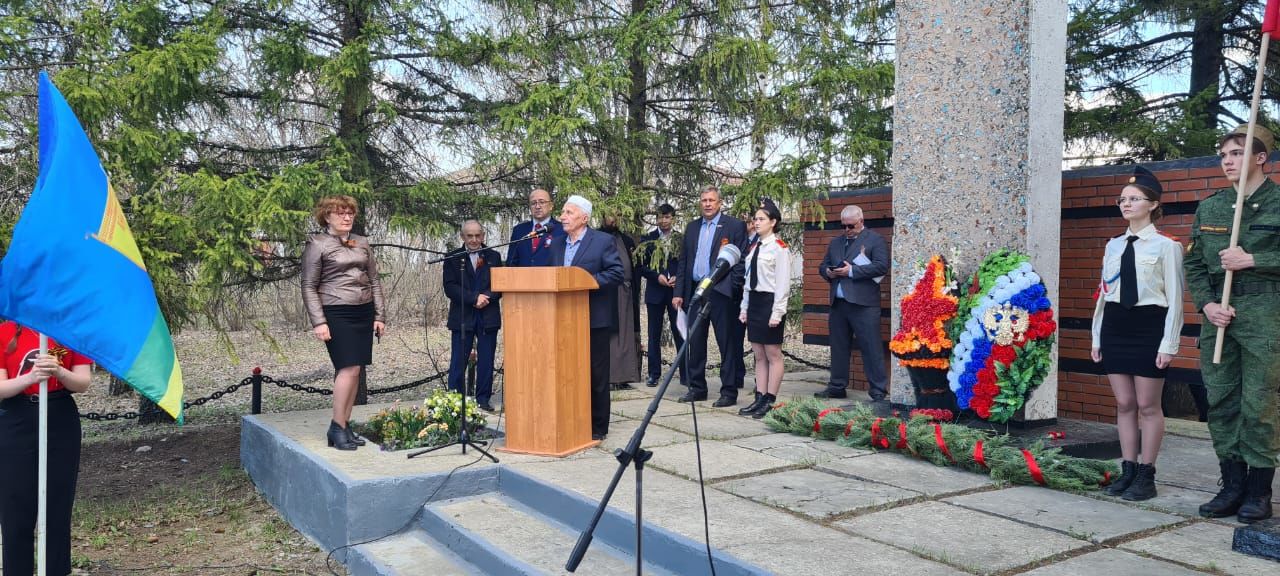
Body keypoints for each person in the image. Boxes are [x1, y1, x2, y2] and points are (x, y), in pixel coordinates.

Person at [1185, 124, 1280, 523]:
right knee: (1221, 403)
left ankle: (1259, 492)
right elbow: (1193, 265)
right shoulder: (1211, 207)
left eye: (1237, 153)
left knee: (1259, 406)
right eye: (1224, 154)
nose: (1227, 161)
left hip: (1266, 316)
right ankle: (1232, 485)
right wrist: (1207, 305)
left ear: (1261, 158)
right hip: (1219, 319)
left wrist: (1255, 260)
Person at [1090, 166, 1184, 502]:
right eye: (1123, 199)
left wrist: (1169, 343)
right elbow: (1103, 294)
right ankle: (1127, 468)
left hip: (1148, 327)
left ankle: (1147, 473)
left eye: (1134, 199)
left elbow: (1175, 299)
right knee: (1124, 402)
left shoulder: (1166, 247)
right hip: (1116, 324)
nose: (1126, 204)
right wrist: (1096, 337)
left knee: (1147, 404)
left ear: (1153, 204)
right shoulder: (1113, 246)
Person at [0, 322, 93, 576]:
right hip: (16, 419)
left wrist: (59, 373)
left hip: (60, 418)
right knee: (15, 507)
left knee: (57, 506)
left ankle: (55, 571)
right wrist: (30, 378)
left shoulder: (71, 330)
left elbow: (83, 381)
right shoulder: (5, 332)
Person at [301, 195, 386, 451]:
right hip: (335, 311)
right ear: (327, 216)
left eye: (350, 213)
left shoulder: (362, 242)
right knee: (347, 369)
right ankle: (336, 427)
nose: (347, 217)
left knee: (356, 370)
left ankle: (344, 425)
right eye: (340, 213)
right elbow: (308, 285)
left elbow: (374, 280)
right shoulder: (317, 243)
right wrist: (319, 321)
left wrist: (380, 315)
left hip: (363, 310)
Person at [551, 195, 625, 440]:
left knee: (596, 374)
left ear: (584, 218)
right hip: (562, 319)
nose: (563, 217)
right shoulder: (557, 244)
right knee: (567, 372)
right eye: (563, 212)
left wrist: (586, 283)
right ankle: (571, 419)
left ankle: (597, 427)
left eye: (569, 213)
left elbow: (616, 273)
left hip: (594, 319)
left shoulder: (602, 241)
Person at [673, 186, 748, 406]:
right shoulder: (692, 227)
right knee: (695, 341)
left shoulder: (734, 226)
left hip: (721, 293)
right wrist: (679, 293)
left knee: (726, 343)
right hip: (697, 291)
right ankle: (697, 388)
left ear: (719, 203)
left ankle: (729, 391)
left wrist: (732, 287)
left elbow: (740, 259)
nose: (707, 204)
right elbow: (684, 261)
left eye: (711, 200)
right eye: (704, 200)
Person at [817, 205, 890, 401]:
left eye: (851, 226)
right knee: (838, 347)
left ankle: (878, 390)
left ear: (861, 221)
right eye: (844, 226)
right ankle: (837, 386)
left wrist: (851, 271)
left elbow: (882, 266)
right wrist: (828, 272)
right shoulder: (836, 242)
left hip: (864, 304)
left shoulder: (875, 240)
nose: (847, 230)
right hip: (839, 303)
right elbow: (823, 265)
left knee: (871, 347)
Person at [737, 200, 791, 419]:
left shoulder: (779, 249)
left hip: (771, 302)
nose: (756, 223)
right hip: (756, 301)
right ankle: (759, 396)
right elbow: (748, 280)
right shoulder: (754, 247)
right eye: (755, 219)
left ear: (773, 222)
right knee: (759, 354)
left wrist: (778, 312)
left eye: (761, 219)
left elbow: (782, 284)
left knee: (773, 353)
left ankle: (770, 398)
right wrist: (745, 307)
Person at [443, 220, 503, 412]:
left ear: (483, 236)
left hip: (488, 315)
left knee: (486, 359)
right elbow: (450, 287)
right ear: (463, 237)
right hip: (463, 316)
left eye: (478, 235)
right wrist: (473, 298)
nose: (474, 239)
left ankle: (483, 399)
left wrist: (486, 297)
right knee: (458, 360)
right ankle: (456, 401)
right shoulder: (453, 257)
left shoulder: (494, 256)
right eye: (470, 236)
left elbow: (500, 284)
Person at [638, 204, 684, 387]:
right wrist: (657, 277)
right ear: (656, 218)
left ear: (673, 218)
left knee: (679, 332)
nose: (664, 221)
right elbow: (641, 266)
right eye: (660, 217)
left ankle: (685, 373)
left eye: (667, 217)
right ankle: (653, 374)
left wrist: (677, 279)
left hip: (675, 292)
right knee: (653, 334)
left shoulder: (680, 239)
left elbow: (685, 263)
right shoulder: (648, 239)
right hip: (655, 292)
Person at [601, 214, 641, 390]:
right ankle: (609, 377)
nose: (613, 219)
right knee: (610, 334)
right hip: (607, 292)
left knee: (626, 335)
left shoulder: (625, 239)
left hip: (626, 292)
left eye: (617, 215)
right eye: (610, 215)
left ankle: (624, 376)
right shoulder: (597, 237)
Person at [508, 188, 566, 267]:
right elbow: (511, 262)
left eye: (542, 202)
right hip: (523, 278)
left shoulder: (562, 229)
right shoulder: (519, 230)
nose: (537, 206)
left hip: (551, 277)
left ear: (551, 206)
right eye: (533, 203)